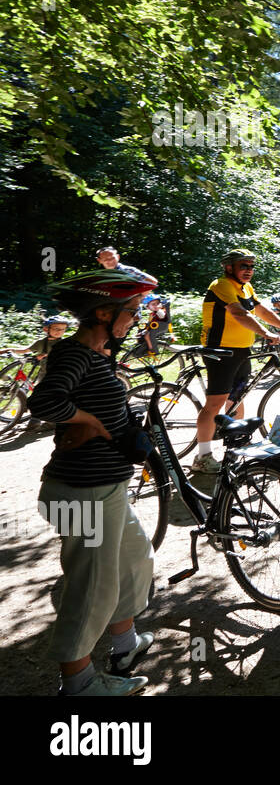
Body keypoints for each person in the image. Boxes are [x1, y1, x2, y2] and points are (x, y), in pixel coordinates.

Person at [28, 267, 159, 696]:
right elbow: (45, 400)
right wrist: (90, 423)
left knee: (134, 559)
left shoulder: (98, 353)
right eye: (132, 310)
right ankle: (79, 684)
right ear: (104, 313)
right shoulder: (75, 353)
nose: (137, 319)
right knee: (90, 591)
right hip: (83, 493)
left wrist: (98, 422)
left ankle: (125, 643)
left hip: (106, 488)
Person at [192, 249, 280, 478]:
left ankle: (237, 445)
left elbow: (260, 310)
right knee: (215, 403)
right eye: (243, 266)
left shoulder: (245, 288)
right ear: (229, 267)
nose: (249, 270)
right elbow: (238, 314)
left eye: (251, 266)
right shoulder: (222, 285)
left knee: (237, 399)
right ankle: (202, 457)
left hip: (241, 351)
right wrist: (267, 333)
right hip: (220, 351)